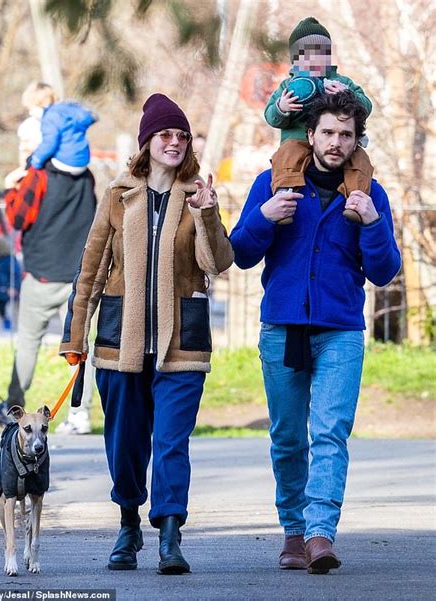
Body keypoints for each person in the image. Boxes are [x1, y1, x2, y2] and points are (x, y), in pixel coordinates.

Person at [59, 93, 233, 574]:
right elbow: (91, 271)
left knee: (173, 442)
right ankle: (128, 522)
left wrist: (207, 214)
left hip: (182, 346)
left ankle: (171, 536)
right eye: (165, 135)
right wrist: (75, 338)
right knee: (126, 442)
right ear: (148, 143)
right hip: (121, 345)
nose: (174, 142)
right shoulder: (118, 195)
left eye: (181, 135)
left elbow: (217, 263)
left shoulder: (197, 193)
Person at [230, 91, 401, 574]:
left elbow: (385, 270)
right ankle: (293, 530)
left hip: (340, 330)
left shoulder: (371, 194)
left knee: (330, 432)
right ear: (310, 134)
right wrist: (265, 218)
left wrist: (371, 223)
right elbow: (240, 252)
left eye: (346, 135)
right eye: (327, 132)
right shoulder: (273, 182)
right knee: (287, 437)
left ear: (355, 140)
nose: (336, 142)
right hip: (283, 326)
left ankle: (321, 534)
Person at [0, 158, 97, 433]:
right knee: (80, 346)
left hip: (42, 275)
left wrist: (12, 188)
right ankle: (80, 413)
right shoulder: (86, 177)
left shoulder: (37, 177)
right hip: (77, 275)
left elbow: (17, 218)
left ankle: (13, 407)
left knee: (28, 343)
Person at [264, 16, 373, 222]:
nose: (315, 59)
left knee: (360, 160)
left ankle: (357, 199)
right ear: (296, 59)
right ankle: (284, 195)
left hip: (336, 146)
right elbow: (271, 116)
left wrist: (348, 94)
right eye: (307, 54)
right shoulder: (289, 86)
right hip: (297, 141)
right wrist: (282, 107)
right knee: (285, 156)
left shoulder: (341, 81)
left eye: (322, 53)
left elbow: (366, 106)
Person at [26, 82, 97, 174]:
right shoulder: (67, 112)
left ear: (40, 104)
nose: (30, 113)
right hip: (82, 161)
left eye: (31, 109)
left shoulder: (50, 117)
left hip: (65, 163)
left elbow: (49, 144)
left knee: (36, 163)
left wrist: (35, 161)